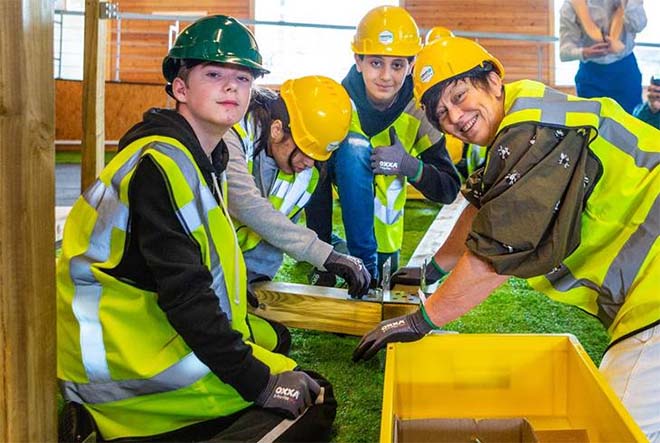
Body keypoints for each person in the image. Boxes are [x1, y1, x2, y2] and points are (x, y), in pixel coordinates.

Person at [352, 35, 660, 441]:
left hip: (652, 298)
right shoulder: (521, 116)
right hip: (646, 293)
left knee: (615, 427)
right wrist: (428, 270)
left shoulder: (529, 132)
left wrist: (421, 319)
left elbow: (496, 251)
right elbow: (480, 212)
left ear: (493, 80)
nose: (455, 117)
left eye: (460, 96)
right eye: (442, 113)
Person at [57, 15, 336, 442]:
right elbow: (187, 297)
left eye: (243, 78)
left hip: (145, 341)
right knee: (312, 397)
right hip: (135, 371)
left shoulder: (198, 159)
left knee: (276, 345)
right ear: (180, 87)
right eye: (214, 74)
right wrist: (259, 383)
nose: (232, 87)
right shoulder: (161, 165)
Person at [305, 5, 461, 286]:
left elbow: (449, 188)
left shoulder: (419, 109)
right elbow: (316, 176)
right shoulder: (339, 103)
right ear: (358, 60)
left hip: (388, 239)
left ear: (411, 65)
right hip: (350, 201)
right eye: (376, 63)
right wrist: (322, 254)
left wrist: (411, 166)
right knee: (352, 150)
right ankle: (352, 258)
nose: (387, 76)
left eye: (397, 65)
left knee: (381, 282)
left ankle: (368, 264)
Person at [223, 75, 370, 298]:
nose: (310, 163)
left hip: (246, 276)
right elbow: (246, 203)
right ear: (277, 129)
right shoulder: (231, 134)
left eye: (317, 156)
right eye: (306, 151)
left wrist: (252, 278)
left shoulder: (304, 175)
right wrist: (326, 256)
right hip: (195, 265)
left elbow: (277, 232)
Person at [559, 0, 647, 114]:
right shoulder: (571, 5)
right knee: (591, 125)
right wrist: (585, 52)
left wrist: (629, 4)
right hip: (591, 74)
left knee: (630, 123)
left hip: (625, 72)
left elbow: (638, 26)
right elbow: (564, 52)